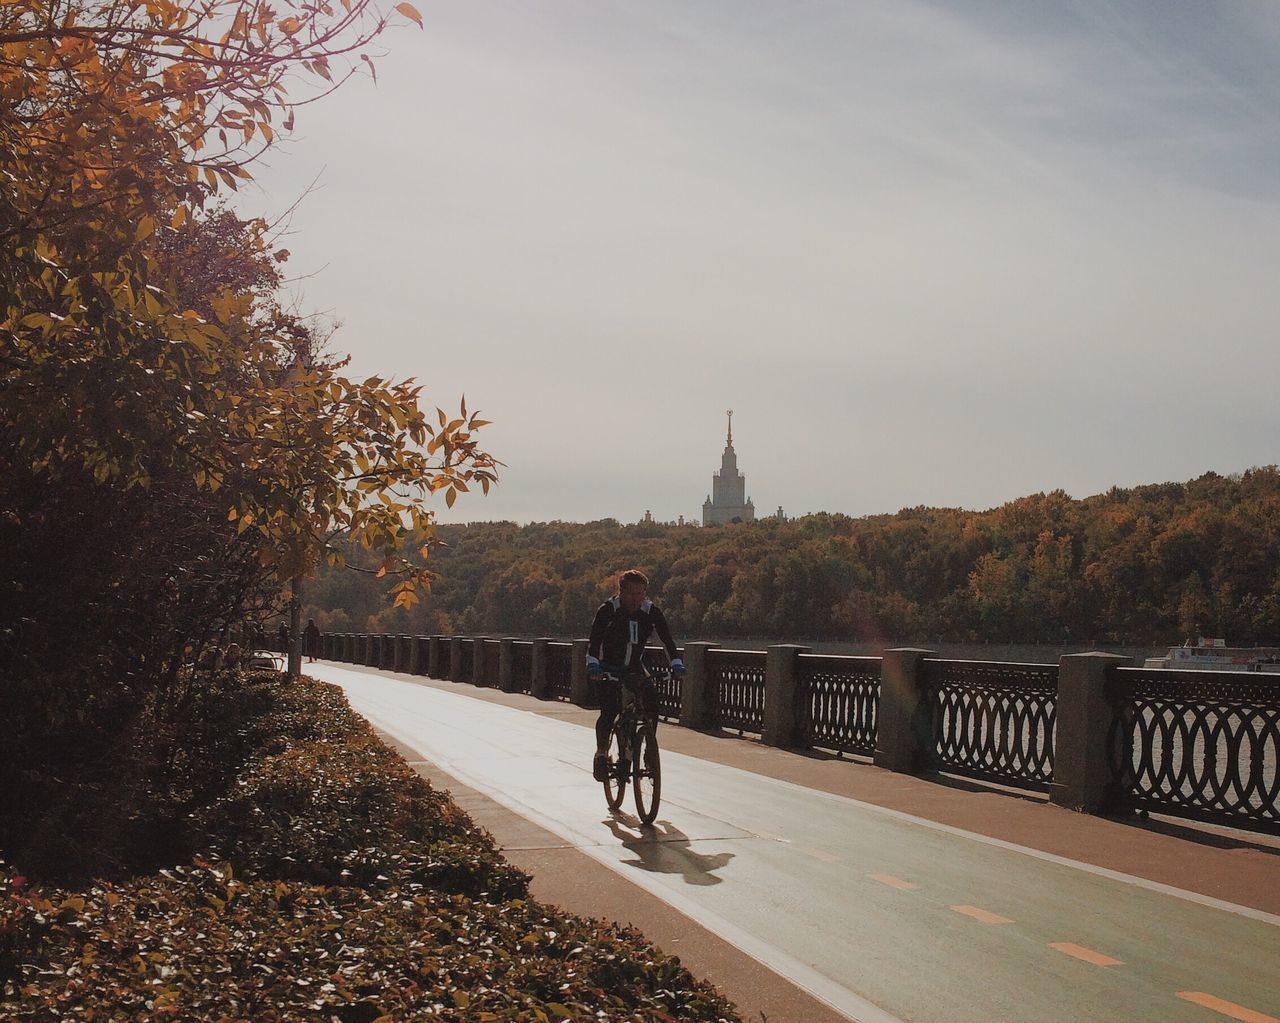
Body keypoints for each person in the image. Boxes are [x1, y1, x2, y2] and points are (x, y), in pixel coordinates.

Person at [586, 569, 684, 782]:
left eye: (641, 593)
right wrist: (594, 666)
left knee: (651, 706)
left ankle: (649, 750)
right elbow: (594, 642)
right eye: (632, 594)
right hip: (608, 667)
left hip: (634, 667)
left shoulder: (650, 612)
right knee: (609, 711)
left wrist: (676, 663)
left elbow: (667, 640)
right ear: (621, 592)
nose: (637, 599)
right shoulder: (608, 610)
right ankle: (601, 753)